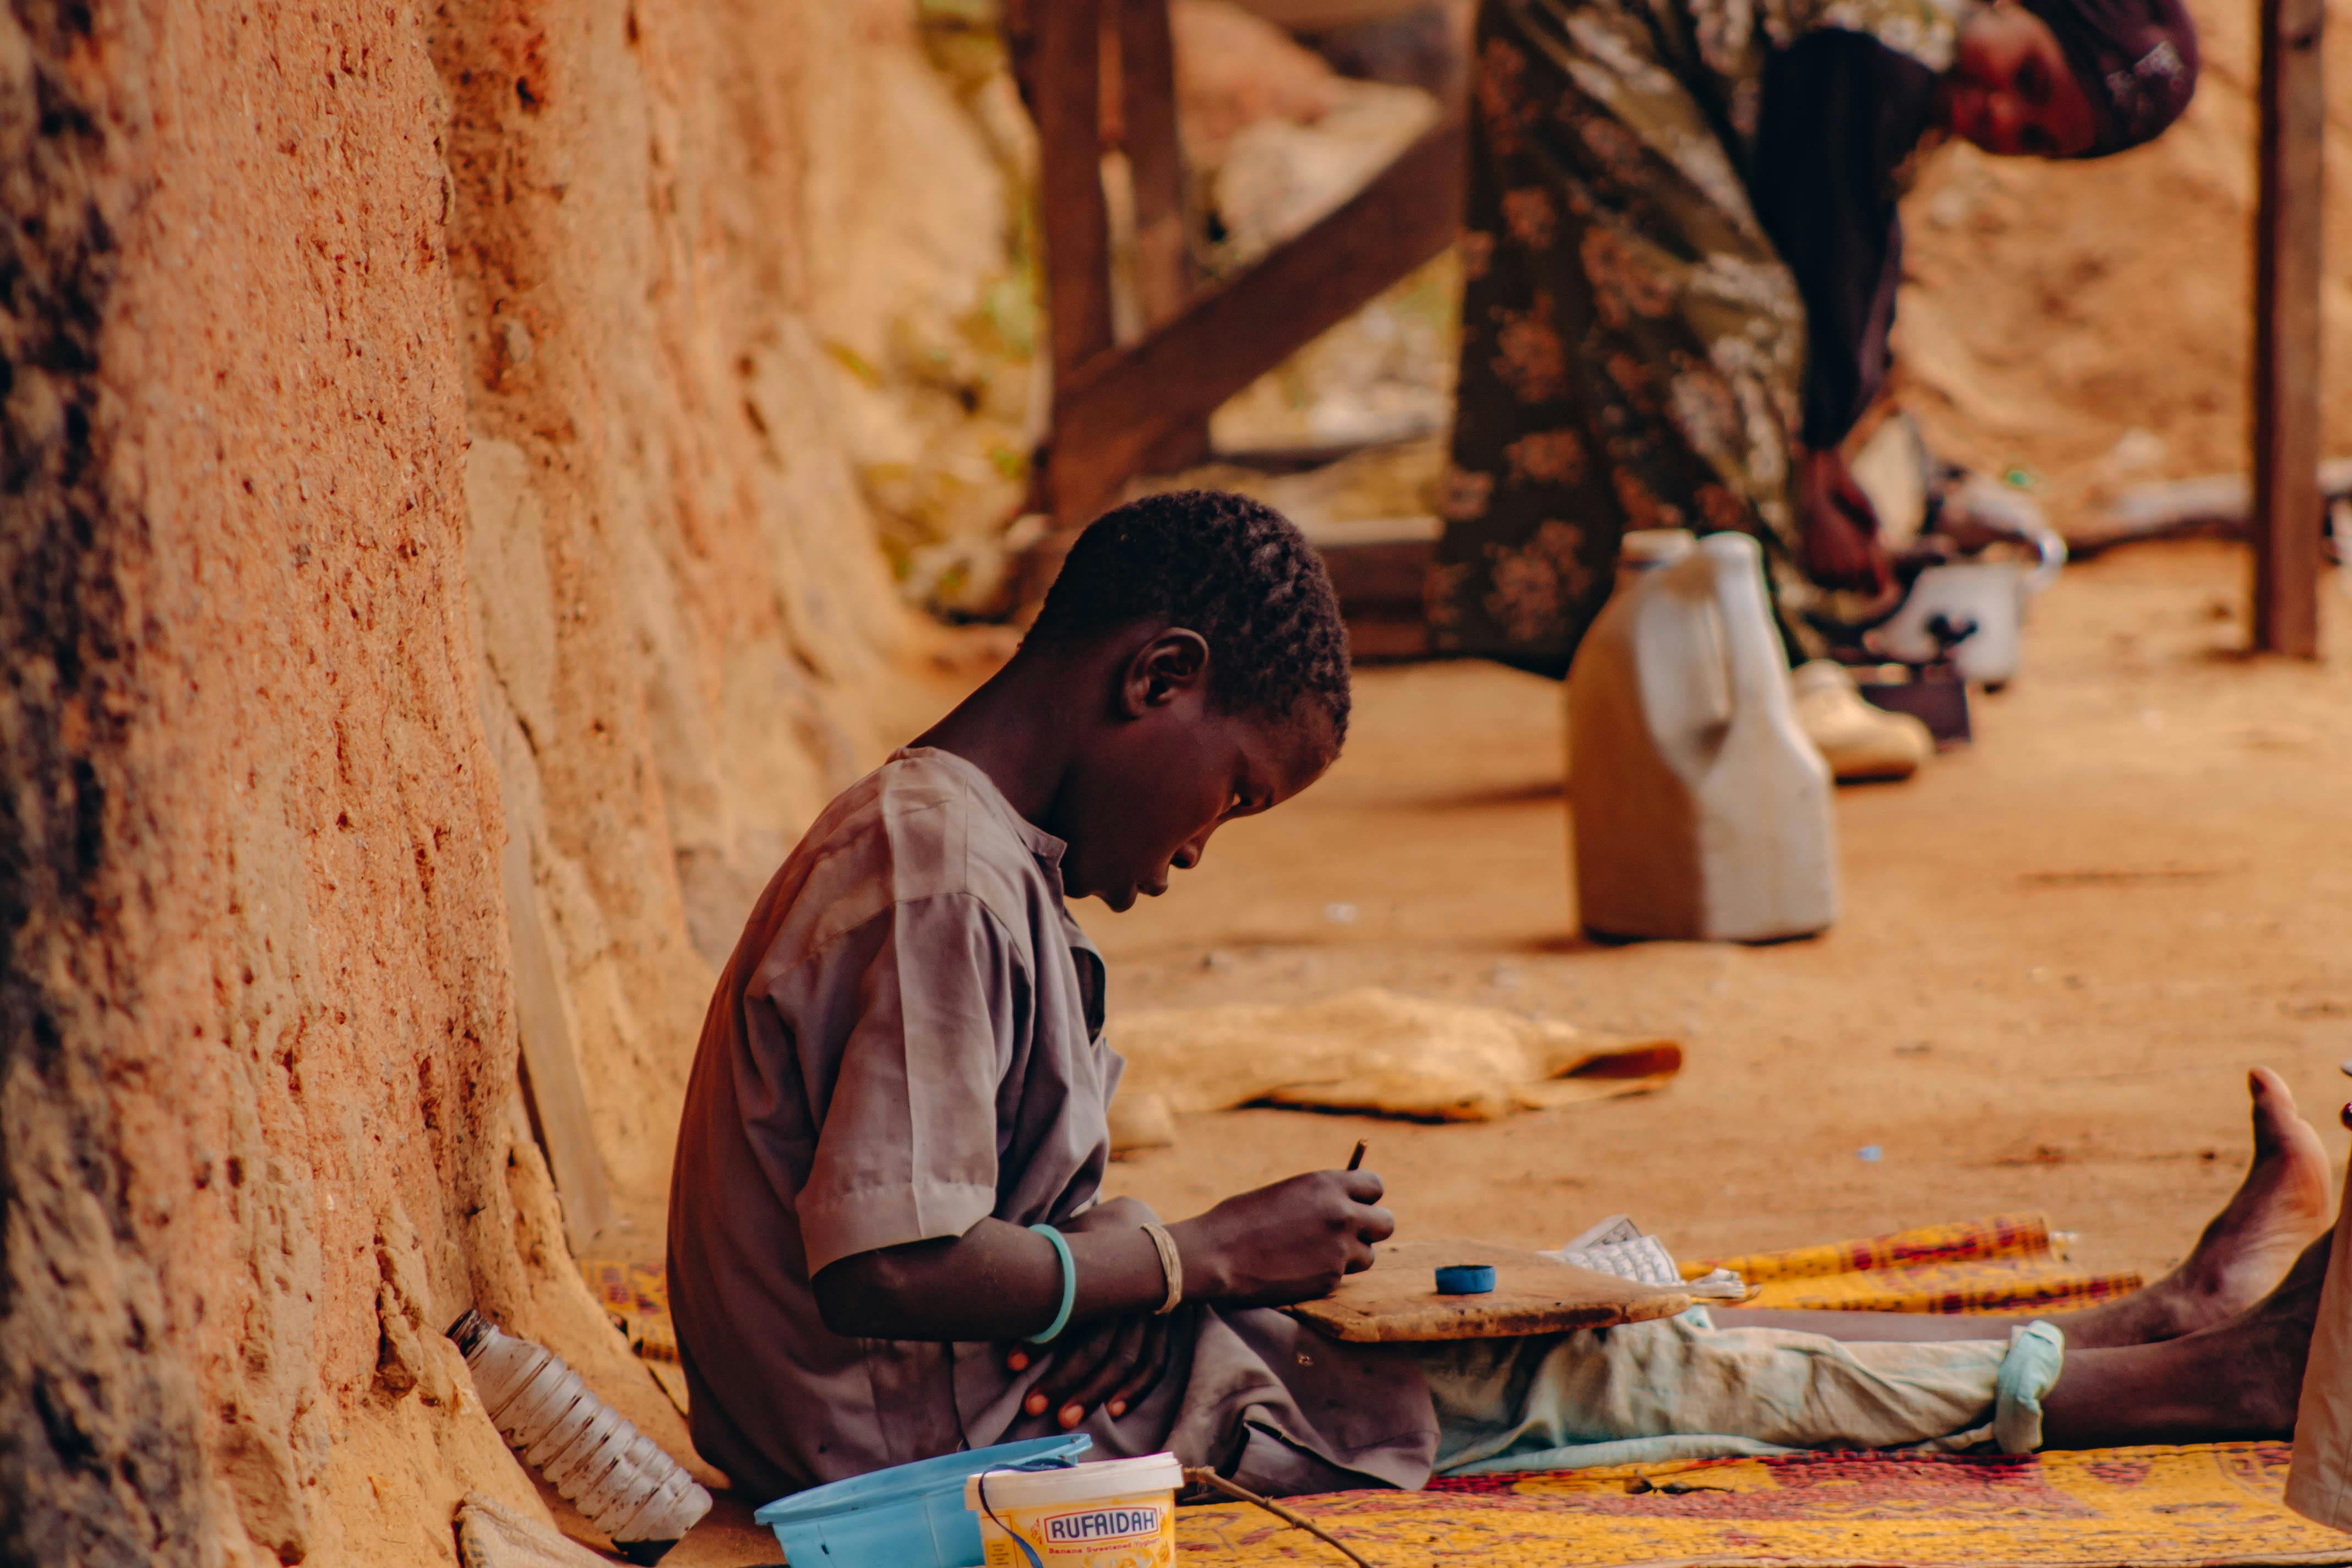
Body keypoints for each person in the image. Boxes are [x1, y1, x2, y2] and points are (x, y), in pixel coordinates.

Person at [668, 489, 2335, 1502]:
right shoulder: (939, 873)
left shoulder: (968, 851)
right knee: (1631, 1382)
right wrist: (1198, 1259)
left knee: (1615, 1319)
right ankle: (2202, 1381)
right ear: (1157, 679)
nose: (1202, 848)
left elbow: (946, 1243)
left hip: (988, 1389)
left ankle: (2141, 1333)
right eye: (1236, 794)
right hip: (917, 1457)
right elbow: (889, 1268)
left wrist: (1158, 1284)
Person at [1431, 0, 2199, 775]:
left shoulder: (1918, 60)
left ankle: (1661, 673)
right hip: (1591, 19)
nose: (2003, 117)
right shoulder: (1892, 38)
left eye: (2035, 139)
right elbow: (1816, 246)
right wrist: (1815, 456)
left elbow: (1849, 247)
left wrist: (1829, 446)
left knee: (1642, 307)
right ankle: (1775, 675)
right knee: (1720, 311)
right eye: (2028, 77)